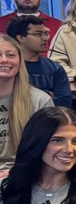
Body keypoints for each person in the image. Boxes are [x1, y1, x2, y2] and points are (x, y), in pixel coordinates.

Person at [0, 35, 52, 177]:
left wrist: (16, 172)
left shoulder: (40, 100)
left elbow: (50, 147)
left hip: (27, 172)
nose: (4, 60)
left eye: (10, 55)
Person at [8, 16, 71, 105]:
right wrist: (48, 94)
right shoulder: (9, 67)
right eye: (38, 34)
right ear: (21, 37)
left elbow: (65, 102)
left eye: (46, 33)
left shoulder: (55, 68)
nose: (45, 38)